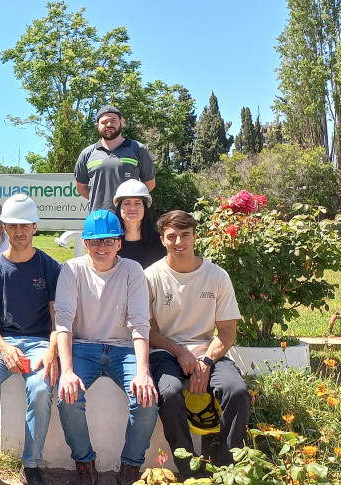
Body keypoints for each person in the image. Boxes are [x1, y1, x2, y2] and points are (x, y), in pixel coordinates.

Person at [53, 209, 158, 485]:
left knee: (147, 398)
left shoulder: (132, 270)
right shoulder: (71, 270)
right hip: (82, 347)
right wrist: (67, 371)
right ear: (85, 243)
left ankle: (131, 465)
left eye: (109, 240)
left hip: (123, 350)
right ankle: (84, 462)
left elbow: (139, 322)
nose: (102, 247)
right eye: (95, 241)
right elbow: (63, 320)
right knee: (68, 396)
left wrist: (143, 371)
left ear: (119, 243)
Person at [0, 194, 61, 485]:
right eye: (12, 225)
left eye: (25, 225)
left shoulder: (51, 267)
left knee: (41, 391)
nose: (18, 231)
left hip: (40, 343)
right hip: (2, 342)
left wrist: (52, 351)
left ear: (35, 227)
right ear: (3, 227)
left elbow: (61, 320)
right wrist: (4, 347)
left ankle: (30, 466)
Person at [146, 210, 250, 477]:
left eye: (185, 235)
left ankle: (228, 466)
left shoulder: (217, 276)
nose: (179, 241)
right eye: (172, 236)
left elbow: (227, 331)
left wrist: (206, 361)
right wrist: (179, 351)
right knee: (168, 394)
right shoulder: (151, 276)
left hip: (208, 352)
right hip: (165, 353)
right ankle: (189, 470)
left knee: (236, 391)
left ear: (195, 237)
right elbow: (147, 330)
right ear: (162, 240)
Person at [74, 106, 156, 212]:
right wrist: (100, 202)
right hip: (99, 217)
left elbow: (149, 183)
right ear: (97, 125)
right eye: (104, 122)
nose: (109, 125)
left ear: (120, 122)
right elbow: (81, 187)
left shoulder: (138, 149)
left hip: (130, 217)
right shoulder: (87, 153)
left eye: (113, 120)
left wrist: (131, 201)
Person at [114, 179, 164, 269]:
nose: (132, 208)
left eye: (137, 203)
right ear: (119, 208)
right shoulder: (110, 242)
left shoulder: (159, 242)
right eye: (127, 203)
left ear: (145, 208)